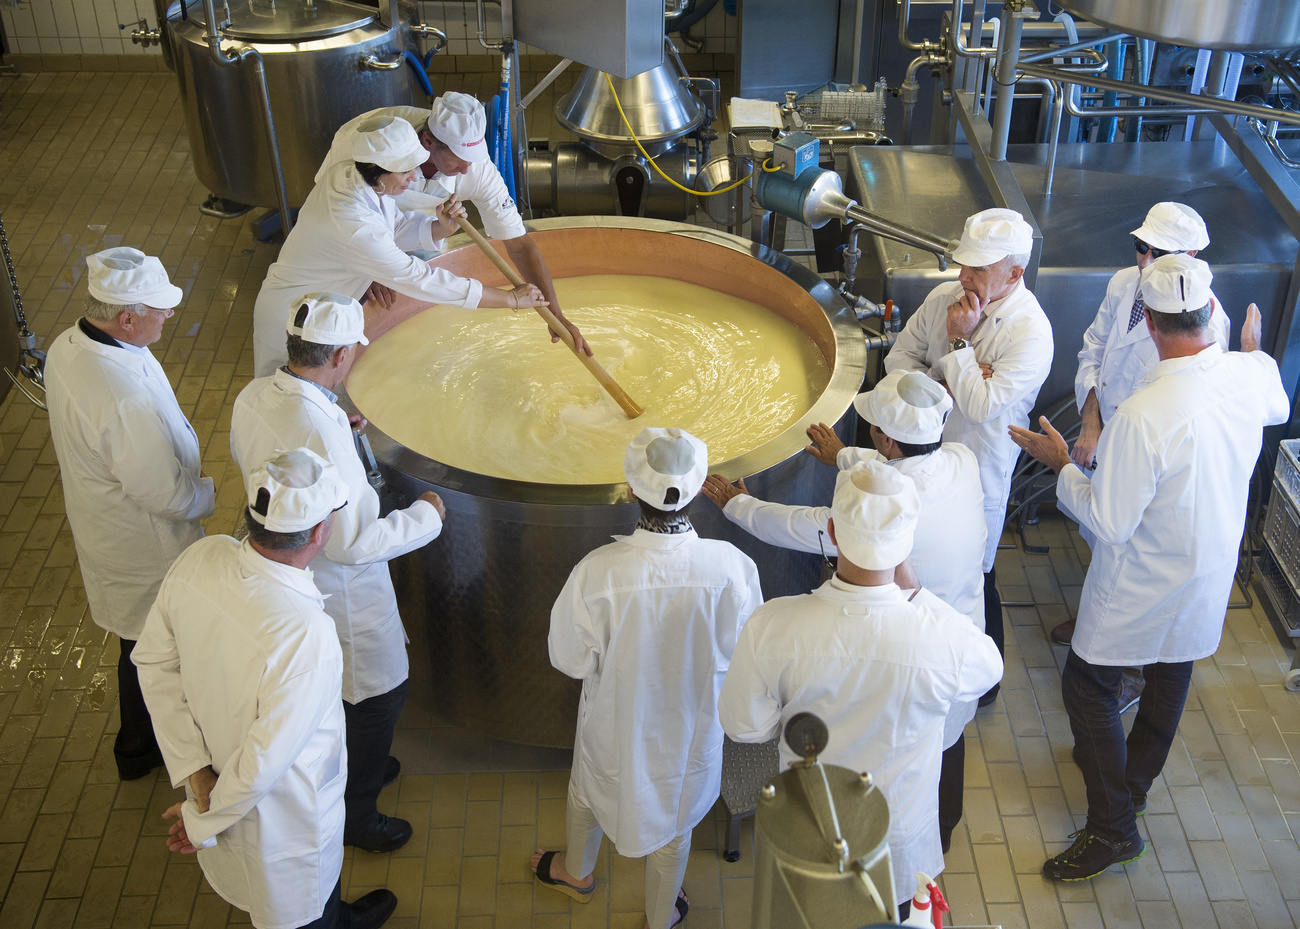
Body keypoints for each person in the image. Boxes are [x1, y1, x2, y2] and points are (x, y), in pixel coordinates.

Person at [1009, 254, 1288, 881]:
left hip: (1142, 579)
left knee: (1087, 687)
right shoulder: (1251, 376)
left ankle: (1112, 828)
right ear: (1211, 311)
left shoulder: (1143, 414)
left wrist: (1064, 466)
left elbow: (1110, 521)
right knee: (1170, 671)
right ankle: (1131, 785)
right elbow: (1274, 399)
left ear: (1154, 328)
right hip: (1208, 570)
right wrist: (1253, 352)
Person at [700, 369, 986, 852]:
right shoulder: (963, 460)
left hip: (897, 667)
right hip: (948, 645)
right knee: (935, 750)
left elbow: (792, 524)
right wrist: (846, 458)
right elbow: (901, 469)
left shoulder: (782, 625)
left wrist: (737, 503)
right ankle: (940, 834)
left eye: (875, 433)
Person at [718, 459, 1002, 913]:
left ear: (830, 530)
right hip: (898, 843)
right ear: (906, 542)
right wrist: (916, 590)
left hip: (810, 834)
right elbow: (990, 668)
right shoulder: (942, 639)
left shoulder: (773, 625)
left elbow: (744, 726)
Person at [134, 448, 398, 929]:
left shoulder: (202, 556)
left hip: (217, 788)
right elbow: (259, 766)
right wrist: (203, 824)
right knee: (302, 911)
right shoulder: (306, 636)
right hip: (284, 821)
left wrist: (195, 771)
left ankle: (336, 917)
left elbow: (151, 662)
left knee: (292, 899)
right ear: (320, 532)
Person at [231, 294, 446, 853]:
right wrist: (427, 516)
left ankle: (363, 767)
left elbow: (280, 463)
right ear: (343, 354)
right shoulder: (322, 431)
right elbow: (353, 546)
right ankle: (359, 813)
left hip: (286, 573)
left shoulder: (256, 394)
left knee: (342, 692)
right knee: (376, 694)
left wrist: (337, 427)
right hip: (342, 594)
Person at [531, 428, 763, 929]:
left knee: (587, 792)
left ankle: (577, 873)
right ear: (701, 488)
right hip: (692, 730)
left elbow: (569, 659)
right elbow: (748, 655)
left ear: (632, 490)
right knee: (676, 824)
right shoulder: (732, 570)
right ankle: (661, 917)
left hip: (612, 721)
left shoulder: (597, 573)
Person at [43, 246, 215, 781]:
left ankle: (138, 748)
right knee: (157, 650)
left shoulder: (69, 345)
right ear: (126, 317)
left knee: (140, 642)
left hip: (109, 529)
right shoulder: (119, 397)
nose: (168, 316)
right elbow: (162, 494)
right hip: (147, 546)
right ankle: (148, 749)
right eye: (159, 309)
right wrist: (208, 496)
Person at [885, 207, 1053, 706]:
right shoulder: (944, 298)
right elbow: (898, 358)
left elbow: (979, 407)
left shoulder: (1030, 332)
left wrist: (957, 344)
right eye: (963, 265)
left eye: (978, 269)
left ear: (1014, 273)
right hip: (916, 454)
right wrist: (952, 376)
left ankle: (984, 682)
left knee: (975, 574)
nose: (963, 277)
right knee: (910, 559)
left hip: (977, 469)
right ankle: (916, 665)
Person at [251, 114, 559, 377]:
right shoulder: (353, 225)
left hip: (322, 311)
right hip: (291, 319)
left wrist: (439, 228)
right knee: (280, 408)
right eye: (405, 171)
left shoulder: (353, 179)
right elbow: (419, 279)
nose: (414, 179)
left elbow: (394, 227)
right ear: (378, 171)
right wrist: (509, 300)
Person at [1054, 202, 1230, 651]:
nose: (1146, 262)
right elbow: (1093, 350)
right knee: (1101, 541)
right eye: (1141, 248)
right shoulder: (1123, 285)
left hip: (1149, 454)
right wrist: (1090, 423)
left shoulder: (1209, 324)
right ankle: (1097, 616)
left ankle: (1128, 661)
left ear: (1191, 256)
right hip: (1108, 434)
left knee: (1130, 552)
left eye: (1160, 254)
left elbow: (1184, 409)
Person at [315, 93, 584, 356]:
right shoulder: (368, 148)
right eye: (457, 160)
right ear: (428, 142)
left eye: (472, 159)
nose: (466, 170)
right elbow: (333, 214)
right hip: (346, 252)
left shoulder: (476, 168)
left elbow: (519, 243)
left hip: (395, 237)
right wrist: (372, 270)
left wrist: (555, 315)